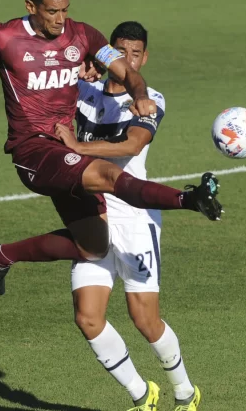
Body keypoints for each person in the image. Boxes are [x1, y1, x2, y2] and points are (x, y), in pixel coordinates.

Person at [0, 0, 221, 304]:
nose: (61, 20)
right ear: (30, 6)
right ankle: (191, 200)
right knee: (108, 173)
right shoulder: (4, 38)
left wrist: (141, 95)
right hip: (31, 150)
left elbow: (125, 71)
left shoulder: (83, 35)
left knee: (93, 246)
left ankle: (1, 255)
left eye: (65, 10)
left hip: (63, 150)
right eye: (51, 12)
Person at [54, 21, 201, 411]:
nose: (127, 60)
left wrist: (78, 147)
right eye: (120, 52)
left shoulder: (151, 99)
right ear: (108, 54)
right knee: (87, 318)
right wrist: (76, 75)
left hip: (134, 218)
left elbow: (132, 144)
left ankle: (185, 392)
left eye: (135, 54)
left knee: (145, 320)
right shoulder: (82, 91)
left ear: (144, 57)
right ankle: (142, 395)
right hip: (92, 215)